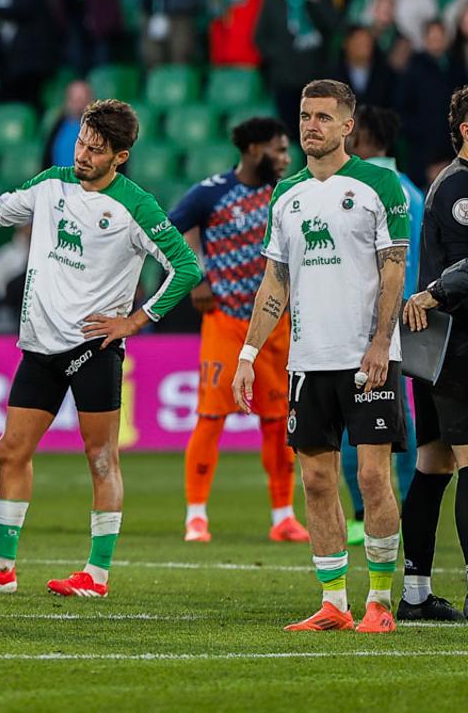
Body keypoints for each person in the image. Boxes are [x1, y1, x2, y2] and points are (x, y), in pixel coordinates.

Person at [0, 99, 202, 598]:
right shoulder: (52, 182)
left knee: (101, 457)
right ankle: (1, 568)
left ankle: (96, 575)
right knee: (11, 450)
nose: (83, 154)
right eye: (81, 142)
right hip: (40, 345)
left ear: (120, 157)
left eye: (96, 149)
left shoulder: (135, 206)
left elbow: (185, 267)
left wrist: (137, 321)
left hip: (94, 347)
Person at [233, 79, 409, 633]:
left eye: (323, 118)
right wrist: (248, 352)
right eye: (306, 116)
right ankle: (334, 602)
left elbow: (394, 268)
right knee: (315, 480)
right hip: (308, 360)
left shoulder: (381, 185)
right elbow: (274, 283)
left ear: (347, 126)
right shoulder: (286, 195)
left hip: (367, 360)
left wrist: (382, 343)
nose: (310, 125)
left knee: (375, 479)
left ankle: (379, 601)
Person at [169, 116, 306, 543]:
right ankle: (196, 515)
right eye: (278, 150)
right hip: (227, 321)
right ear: (252, 151)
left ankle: (283, 516)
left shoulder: (288, 193)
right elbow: (170, 228)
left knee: (279, 420)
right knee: (211, 417)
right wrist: (198, 275)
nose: (285, 158)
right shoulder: (211, 193)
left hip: (275, 323)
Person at [396, 83, 468, 622]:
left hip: (434, 343)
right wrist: (437, 292)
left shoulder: (448, 184)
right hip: (457, 343)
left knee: (434, 464)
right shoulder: (459, 188)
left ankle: (417, 596)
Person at [339, 106, 421, 546]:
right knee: (403, 420)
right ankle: (407, 507)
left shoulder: (355, 190)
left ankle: (358, 514)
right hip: (416, 315)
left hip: (364, 321)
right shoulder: (415, 191)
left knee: (358, 418)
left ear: (363, 136)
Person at [254, 0, 340, 136]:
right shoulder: (274, 1)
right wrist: (280, 56)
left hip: (316, 77)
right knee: (290, 132)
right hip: (285, 79)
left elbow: (334, 28)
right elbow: (261, 37)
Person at [397, 20, 468, 188]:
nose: (436, 42)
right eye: (432, 38)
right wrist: (422, 132)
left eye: (440, 37)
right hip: (421, 157)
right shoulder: (413, 69)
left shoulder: (457, 68)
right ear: (425, 39)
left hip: (453, 153)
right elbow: (402, 112)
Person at [334, 25, 394, 111]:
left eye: (367, 42)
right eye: (358, 42)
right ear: (346, 43)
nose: (364, 46)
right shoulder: (332, 75)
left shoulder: (386, 75)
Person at [43, 80, 94, 169]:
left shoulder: (102, 131)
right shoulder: (56, 128)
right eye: (74, 99)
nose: (78, 105)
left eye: (82, 99)